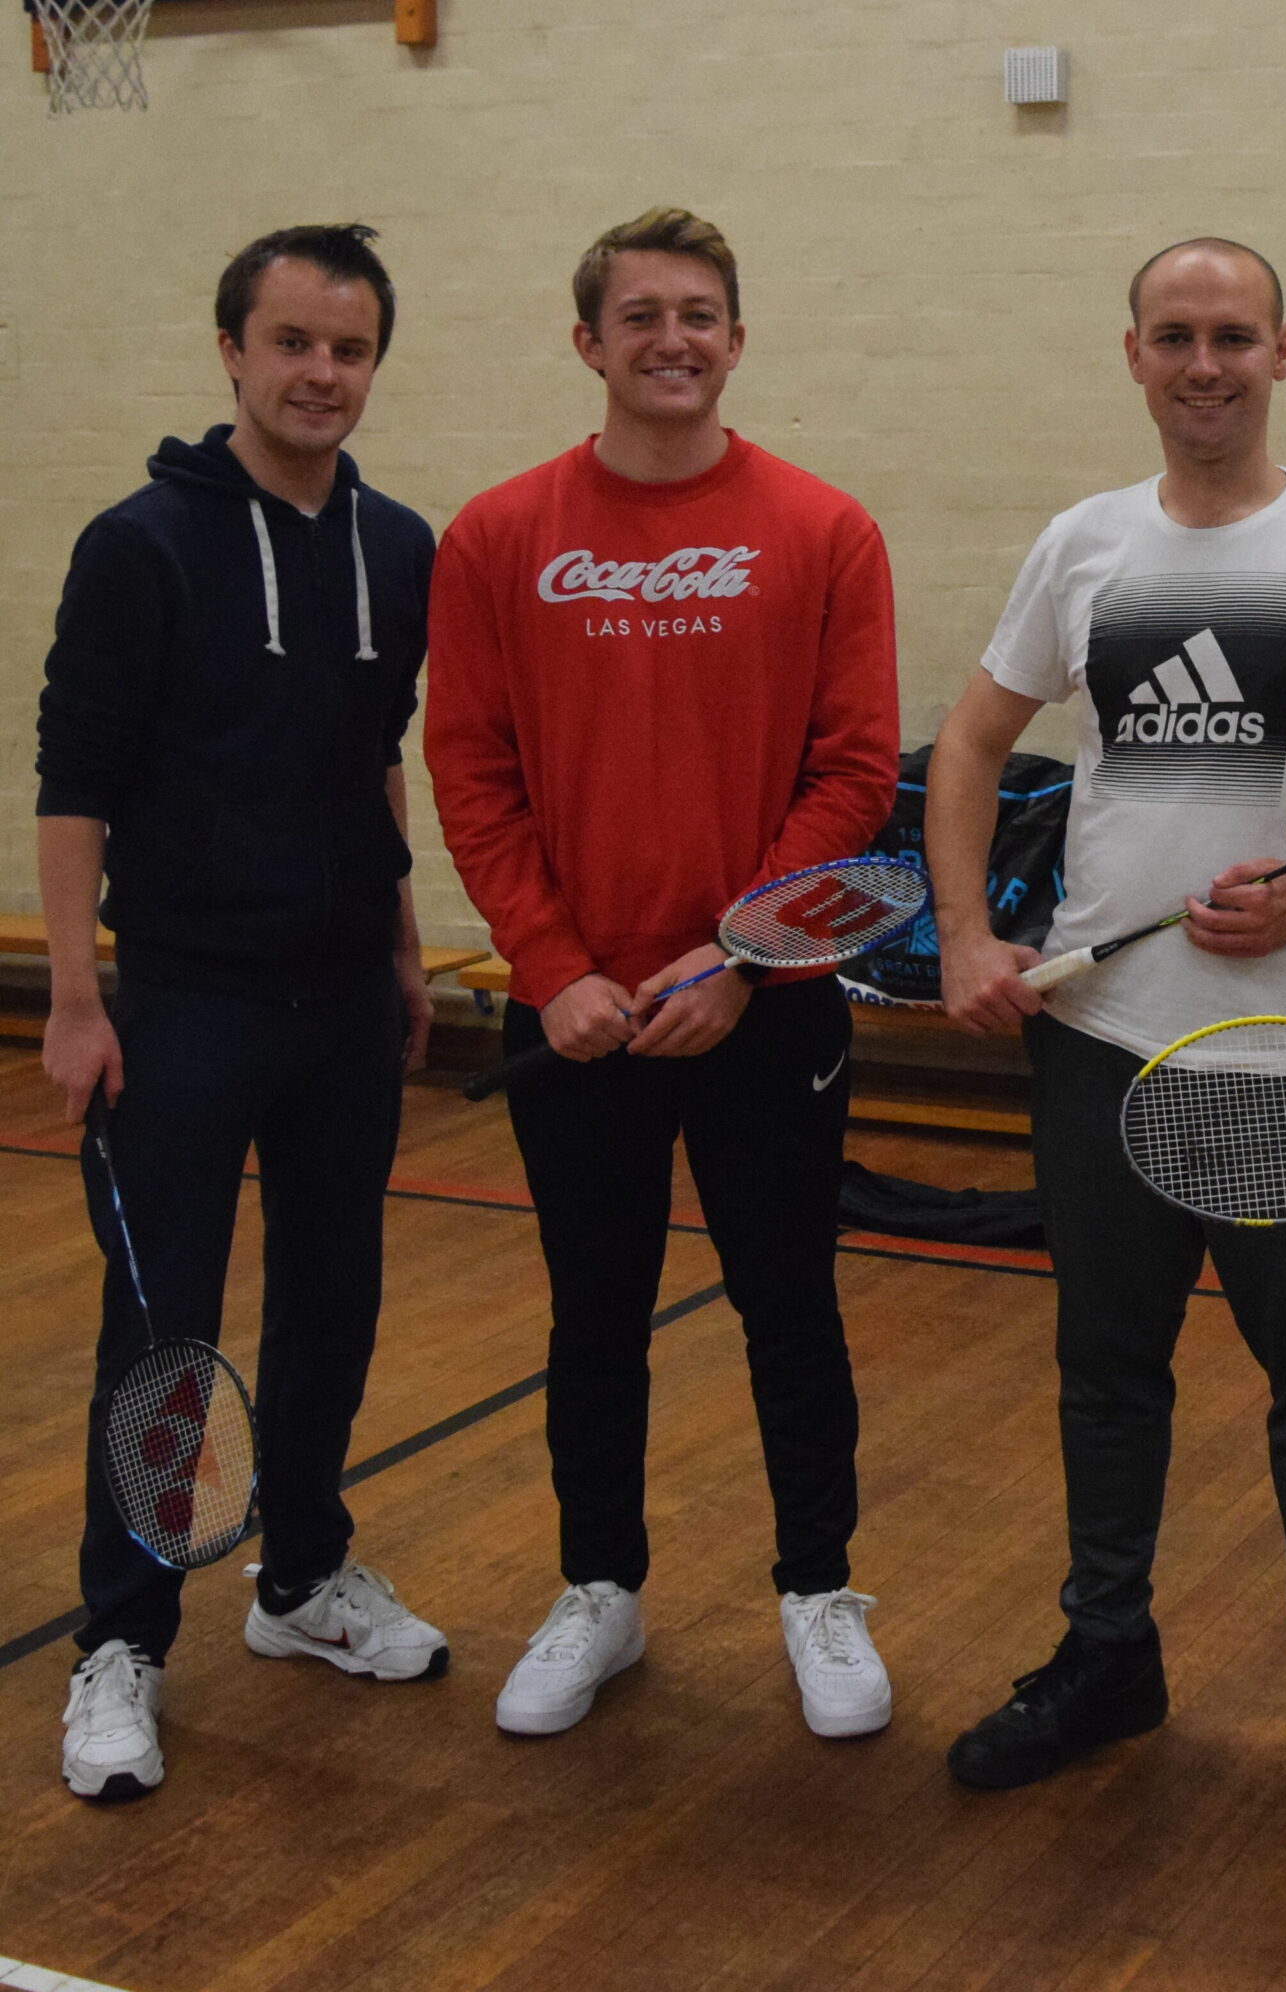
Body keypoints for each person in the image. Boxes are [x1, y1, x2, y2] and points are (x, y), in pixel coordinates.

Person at [926, 237, 1286, 1848]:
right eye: (1177, 336)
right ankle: (1108, 1657)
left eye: (1234, 335)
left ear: (1283, 351)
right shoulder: (1082, 543)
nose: (1205, 362)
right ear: (1136, 356)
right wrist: (967, 935)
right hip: (1100, 1039)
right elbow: (967, 739)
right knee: (1108, 1377)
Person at [424, 207, 900, 1741]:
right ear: (591, 344)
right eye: (640, 316)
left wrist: (742, 955)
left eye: (699, 314)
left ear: (737, 339)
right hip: (579, 1019)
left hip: (764, 1005)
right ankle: (598, 1593)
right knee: (594, 1316)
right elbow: (472, 767)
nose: (671, 339)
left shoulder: (827, 531)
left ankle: (819, 1589)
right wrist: (552, 967)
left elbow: (850, 775)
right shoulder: (499, 537)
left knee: (789, 1305)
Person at [37, 224, 446, 1803]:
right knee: (165, 1338)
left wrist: (409, 943)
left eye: (347, 350)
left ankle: (303, 1583)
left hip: (345, 1001)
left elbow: (377, 755)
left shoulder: (401, 547)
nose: (319, 374)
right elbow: (76, 781)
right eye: (290, 343)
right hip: (184, 1003)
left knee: (335, 1303)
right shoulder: (138, 544)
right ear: (232, 352)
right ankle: (124, 1639)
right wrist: (77, 998)